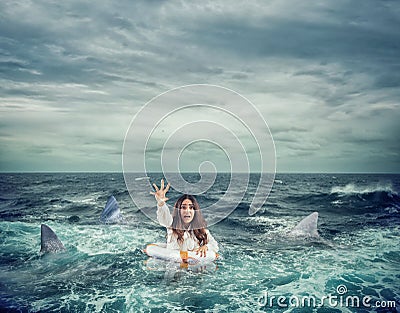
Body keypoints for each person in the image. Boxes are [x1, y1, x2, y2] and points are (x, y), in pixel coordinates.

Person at [150, 179, 219, 258]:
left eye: (191, 207)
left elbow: (215, 246)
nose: (187, 211)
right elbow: (164, 218)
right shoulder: (171, 225)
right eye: (183, 207)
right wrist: (161, 203)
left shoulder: (201, 231)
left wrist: (206, 247)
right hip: (174, 268)